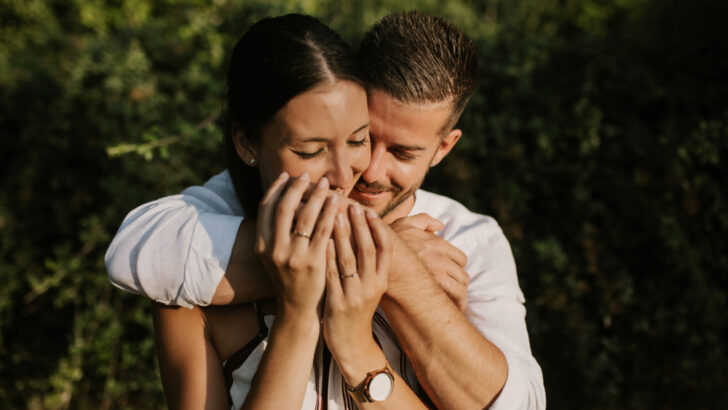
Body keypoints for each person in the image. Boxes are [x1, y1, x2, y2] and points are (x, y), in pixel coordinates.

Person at [107, 12, 546, 409]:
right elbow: (134, 254)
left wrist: (384, 286)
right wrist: (390, 256)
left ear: (443, 148)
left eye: (404, 152)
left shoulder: (470, 239)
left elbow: (521, 404)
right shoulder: (230, 204)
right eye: (364, 136)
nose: (368, 170)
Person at [141, 14, 427, 409]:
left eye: (359, 140)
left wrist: (358, 348)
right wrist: (297, 318)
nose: (345, 176)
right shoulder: (188, 296)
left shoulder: (429, 246)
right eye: (310, 152)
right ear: (246, 143)